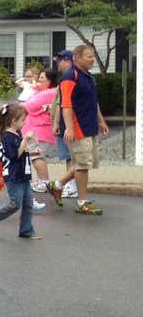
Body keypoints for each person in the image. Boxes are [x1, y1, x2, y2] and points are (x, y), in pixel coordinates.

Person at [46, 44, 110, 215]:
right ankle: (82, 203)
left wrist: (101, 121)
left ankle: (56, 185)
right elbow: (65, 103)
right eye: (89, 56)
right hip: (76, 127)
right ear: (77, 57)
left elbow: (93, 101)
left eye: (93, 56)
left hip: (90, 125)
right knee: (82, 165)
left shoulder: (88, 76)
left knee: (85, 162)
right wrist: (68, 128)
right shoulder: (69, 76)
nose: (92, 59)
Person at [0, 104, 41, 239]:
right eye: (22, 120)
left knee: (28, 204)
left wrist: (32, 151)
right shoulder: (7, 136)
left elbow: (21, 151)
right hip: (14, 176)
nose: (24, 122)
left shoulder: (17, 133)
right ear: (13, 121)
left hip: (23, 174)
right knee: (15, 204)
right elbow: (13, 155)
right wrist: (26, 140)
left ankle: (26, 230)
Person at [47, 51, 78, 199]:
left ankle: (71, 187)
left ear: (67, 61)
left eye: (59, 60)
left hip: (68, 124)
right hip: (65, 123)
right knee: (68, 157)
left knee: (72, 157)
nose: (57, 63)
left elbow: (62, 104)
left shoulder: (69, 78)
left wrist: (57, 123)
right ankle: (71, 186)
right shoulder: (66, 78)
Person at [23, 69, 58, 193]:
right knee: (36, 156)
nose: (39, 81)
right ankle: (41, 181)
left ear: (50, 81)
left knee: (37, 156)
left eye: (42, 78)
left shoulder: (49, 92)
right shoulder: (43, 92)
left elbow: (28, 105)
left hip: (40, 131)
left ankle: (44, 183)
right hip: (37, 129)